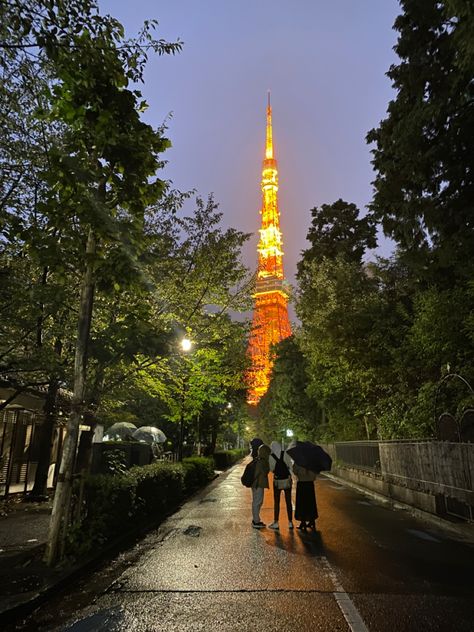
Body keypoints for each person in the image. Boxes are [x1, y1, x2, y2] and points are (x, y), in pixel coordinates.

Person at [268, 441, 293, 530]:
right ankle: (290, 522)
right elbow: (290, 465)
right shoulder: (285, 453)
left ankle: (276, 522)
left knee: (277, 502)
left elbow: (271, 469)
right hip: (286, 480)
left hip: (277, 482)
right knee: (288, 501)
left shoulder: (271, 456)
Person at [250, 440, 271, 528]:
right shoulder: (260, 461)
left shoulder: (259, 460)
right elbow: (263, 473)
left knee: (258, 501)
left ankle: (256, 519)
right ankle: (256, 521)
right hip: (257, 484)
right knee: (257, 502)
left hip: (257, 484)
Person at [293, 463, 318, 531]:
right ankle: (312, 520)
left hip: (302, 484)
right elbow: (315, 474)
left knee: (302, 503)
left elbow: (295, 471)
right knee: (311, 503)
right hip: (310, 484)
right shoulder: (312, 462)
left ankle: (303, 522)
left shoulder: (299, 461)